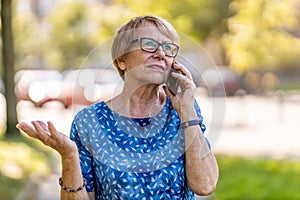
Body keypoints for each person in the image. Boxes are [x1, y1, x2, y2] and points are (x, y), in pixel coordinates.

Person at [16, 15, 219, 200]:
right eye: (149, 44)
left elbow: (205, 185)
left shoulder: (183, 111)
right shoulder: (89, 122)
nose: (161, 54)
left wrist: (187, 112)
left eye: (169, 48)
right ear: (122, 60)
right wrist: (69, 156)